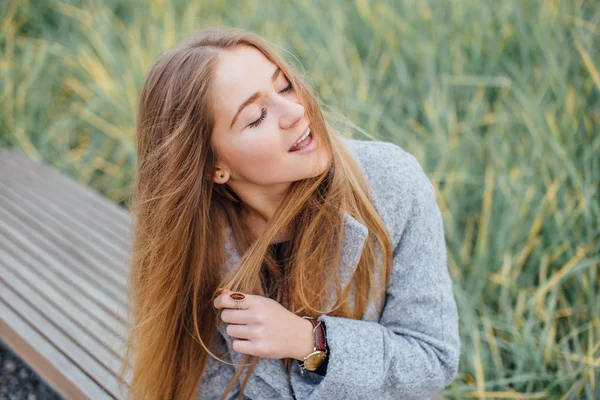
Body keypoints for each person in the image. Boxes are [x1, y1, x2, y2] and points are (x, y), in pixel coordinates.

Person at [120, 26, 460, 400]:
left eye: (284, 87)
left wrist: (311, 341)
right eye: (256, 117)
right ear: (212, 166)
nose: (296, 111)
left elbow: (433, 359)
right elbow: (191, 381)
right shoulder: (195, 241)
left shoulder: (390, 184)